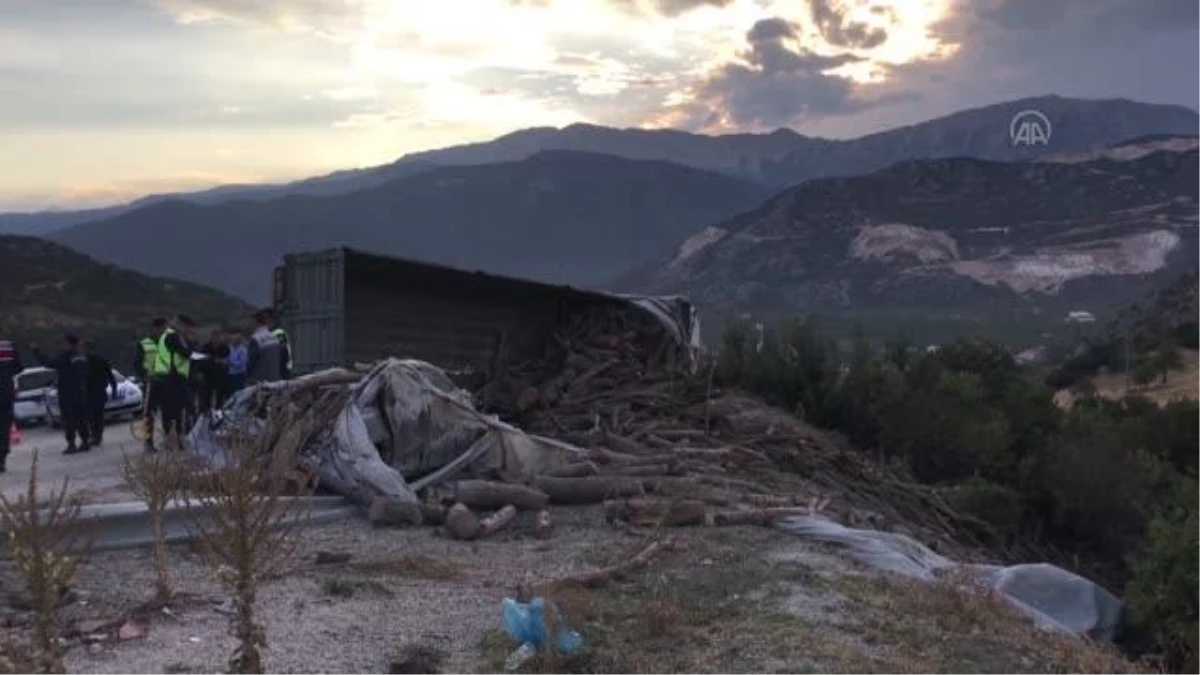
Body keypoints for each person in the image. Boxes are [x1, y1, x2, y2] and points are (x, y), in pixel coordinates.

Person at [32, 334, 91, 455]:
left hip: (67, 391)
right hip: (81, 390)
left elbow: (49, 363)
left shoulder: (66, 356)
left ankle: (71, 444)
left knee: (68, 419)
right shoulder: (82, 355)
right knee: (81, 418)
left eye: (64, 343)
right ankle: (85, 441)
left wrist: (36, 351)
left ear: (68, 343)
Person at [153, 315, 197, 451]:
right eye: (187, 327)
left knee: (174, 411)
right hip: (173, 379)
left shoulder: (170, 335)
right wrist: (193, 350)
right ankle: (180, 441)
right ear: (181, 325)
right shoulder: (173, 336)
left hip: (170, 379)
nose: (188, 330)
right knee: (184, 409)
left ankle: (175, 441)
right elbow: (185, 353)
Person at [135, 318, 167, 452]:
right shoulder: (144, 344)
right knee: (148, 414)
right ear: (154, 328)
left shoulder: (168, 342)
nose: (163, 331)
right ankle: (148, 442)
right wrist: (144, 375)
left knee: (168, 412)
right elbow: (137, 364)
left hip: (166, 382)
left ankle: (168, 439)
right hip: (150, 383)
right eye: (161, 328)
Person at [80, 340, 117, 447]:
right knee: (98, 415)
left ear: (87, 348)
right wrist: (114, 389)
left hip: (91, 392)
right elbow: (111, 376)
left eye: (83, 348)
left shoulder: (85, 361)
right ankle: (97, 435)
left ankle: (95, 436)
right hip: (98, 391)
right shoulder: (101, 360)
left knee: (92, 415)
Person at [0, 333, 22, 473]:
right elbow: (19, 367)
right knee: (3, 428)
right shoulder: (9, 345)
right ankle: (1, 461)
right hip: (6, 392)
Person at [246, 311, 284, 386]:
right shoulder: (274, 337)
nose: (249, 324)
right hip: (274, 379)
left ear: (256, 322)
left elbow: (251, 362)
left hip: (259, 382)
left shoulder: (255, 339)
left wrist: (247, 378)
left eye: (251, 322)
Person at [199, 331, 231, 414]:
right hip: (208, 375)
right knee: (206, 397)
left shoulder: (225, 348)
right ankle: (206, 414)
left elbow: (226, 362)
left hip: (221, 376)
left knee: (220, 398)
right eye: (214, 337)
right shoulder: (206, 347)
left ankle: (218, 414)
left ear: (220, 338)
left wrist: (219, 361)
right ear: (211, 338)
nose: (215, 340)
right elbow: (201, 361)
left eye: (217, 338)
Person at [266, 309, 293, 380]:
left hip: (280, 371)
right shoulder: (271, 332)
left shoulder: (278, 332)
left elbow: (282, 350)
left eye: (267, 320)